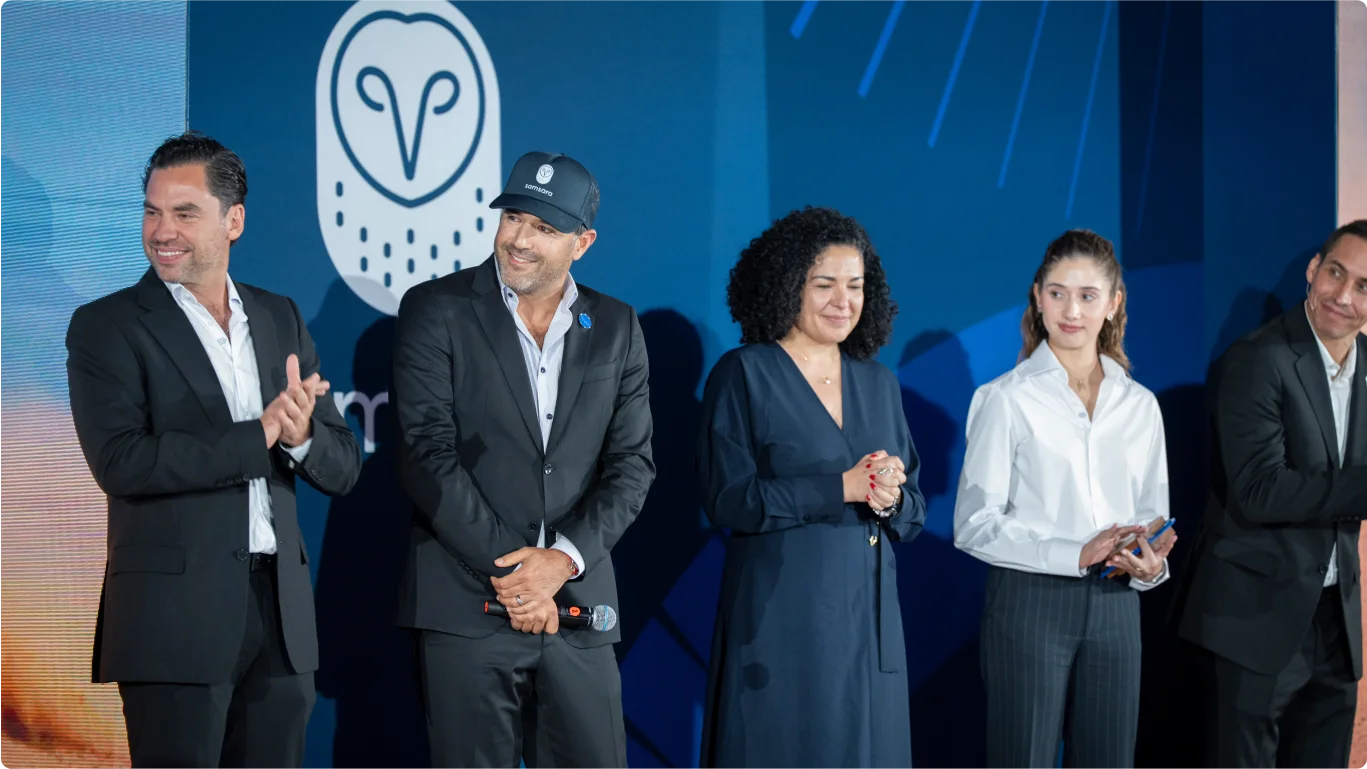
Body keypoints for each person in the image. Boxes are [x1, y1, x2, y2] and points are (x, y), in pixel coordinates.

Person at [65, 132, 362, 768]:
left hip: (280, 622)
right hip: (173, 625)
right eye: (152, 211)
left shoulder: (279, 316)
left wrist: (303, 435)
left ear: (234, 220)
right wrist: (259, 434)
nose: (162, 230)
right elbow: (123, 462)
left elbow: (341, 467)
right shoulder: (107, 326)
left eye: (184, 212)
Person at [392, 151, 655, 769]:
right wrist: (519, 577)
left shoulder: (616, 326)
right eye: (513, 218)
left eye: (544, 228)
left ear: (582, 242)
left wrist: (560, 563)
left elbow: (632, 465)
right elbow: (425, 454)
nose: (519, 239)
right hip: (466, 602)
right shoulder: (437, 308)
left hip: (579, 607)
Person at [696, 206, 928, 769]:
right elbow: (729, 500)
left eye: (855, 286)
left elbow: (914, 511)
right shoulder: (744, 372)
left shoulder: (879, 382)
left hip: (867, 627)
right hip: (779, 619)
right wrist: (840, 487)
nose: (842, 301)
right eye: (824, 285)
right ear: (785, 286)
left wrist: (891, 495)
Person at [952, 229, 1176, 769]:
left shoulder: (1141, 405)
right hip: (1029, 607)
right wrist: (1076, 553)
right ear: (1037, 296)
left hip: (1118, 608)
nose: (1070, 310)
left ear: (1114, 302)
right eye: (1056, 293)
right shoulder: (1004, 399)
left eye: (1087, 295)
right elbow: (973, 524)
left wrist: (1150, 567)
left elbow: (1154, 516)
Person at [1175, 221, 1367, 768]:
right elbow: (1260, 491)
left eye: (1364, 286)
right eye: (1336, 273)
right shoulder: (1258, 358)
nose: (1344, 296)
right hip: (1253, 622)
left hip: (1336, 623)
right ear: (1313, 271)